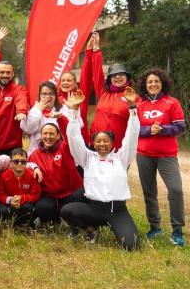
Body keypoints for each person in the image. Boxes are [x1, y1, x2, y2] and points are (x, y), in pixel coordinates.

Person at [61, 89, 141, 250]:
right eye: (98, 141)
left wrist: (132, 107)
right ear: (94, 144)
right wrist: (74, 111)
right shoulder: (87, 158)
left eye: (106, 141)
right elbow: (74, 139)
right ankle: (91, 229)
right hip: (95, 210)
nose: (102, 144)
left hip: (117, 210)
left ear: (112, 144)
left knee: (131, 246)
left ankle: (117, 227)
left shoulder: (122, 158)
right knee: (68, 210)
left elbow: (132, 136)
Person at [136, 68, 186, 246]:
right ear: (145, 85)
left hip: (167, 154)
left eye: (156, 81)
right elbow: (134, 129)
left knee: (176, 190)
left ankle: (177, 230)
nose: (153, 84)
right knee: (149, 192)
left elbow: (180, 126)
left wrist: (163, 129)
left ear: (162, 83)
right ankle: (155, 227)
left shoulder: (172, 102)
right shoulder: (139, 104)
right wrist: (149, 130)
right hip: (144, 155)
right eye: (150, 82)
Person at [86, 32, 139, 149]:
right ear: (110, 79)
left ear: (127, 78)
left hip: (118, 148)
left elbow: (138, 122)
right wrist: (96, 49)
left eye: (121, 74)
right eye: (113, 75)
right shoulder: (103, 92)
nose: (117, 77)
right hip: (96, 143)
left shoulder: (134, 98)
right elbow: (97, 72)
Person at [27, 122, 84, 231]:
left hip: (70, 193)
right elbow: (26, 168)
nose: (48, 137)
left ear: (58, 135)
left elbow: (70, 135)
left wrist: (62, 119)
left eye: (52, 134)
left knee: (83, 194)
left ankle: (73, 223)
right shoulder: (35, 155)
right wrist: (34, 167)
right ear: (41, 135)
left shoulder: (65, 148)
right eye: (45, 133)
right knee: (42, 207)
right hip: (50, 196)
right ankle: (54, 221)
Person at [21, 81, 83, 156]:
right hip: (37, 154)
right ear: (40, 95)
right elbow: (28, 129)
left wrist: (73, 109)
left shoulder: (63, 109)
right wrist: (37, 111)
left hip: (59, 153)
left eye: (51, 94)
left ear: (55, 95)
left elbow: (76, 127)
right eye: (44, 94)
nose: (48, 97)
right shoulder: (34, 110)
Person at [0, 148, 41, 226]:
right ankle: (14, 224)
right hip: (10, 204)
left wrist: (21, 198)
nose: (20, 164)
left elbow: (36, 195)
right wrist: (10, 200)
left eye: (23, 161)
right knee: (5, 210)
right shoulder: (4, 176)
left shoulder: (32, 175)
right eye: (16, 161)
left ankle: (28, 224)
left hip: (26, 204)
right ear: (11, 162)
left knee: (27, 207)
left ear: (27, 162)